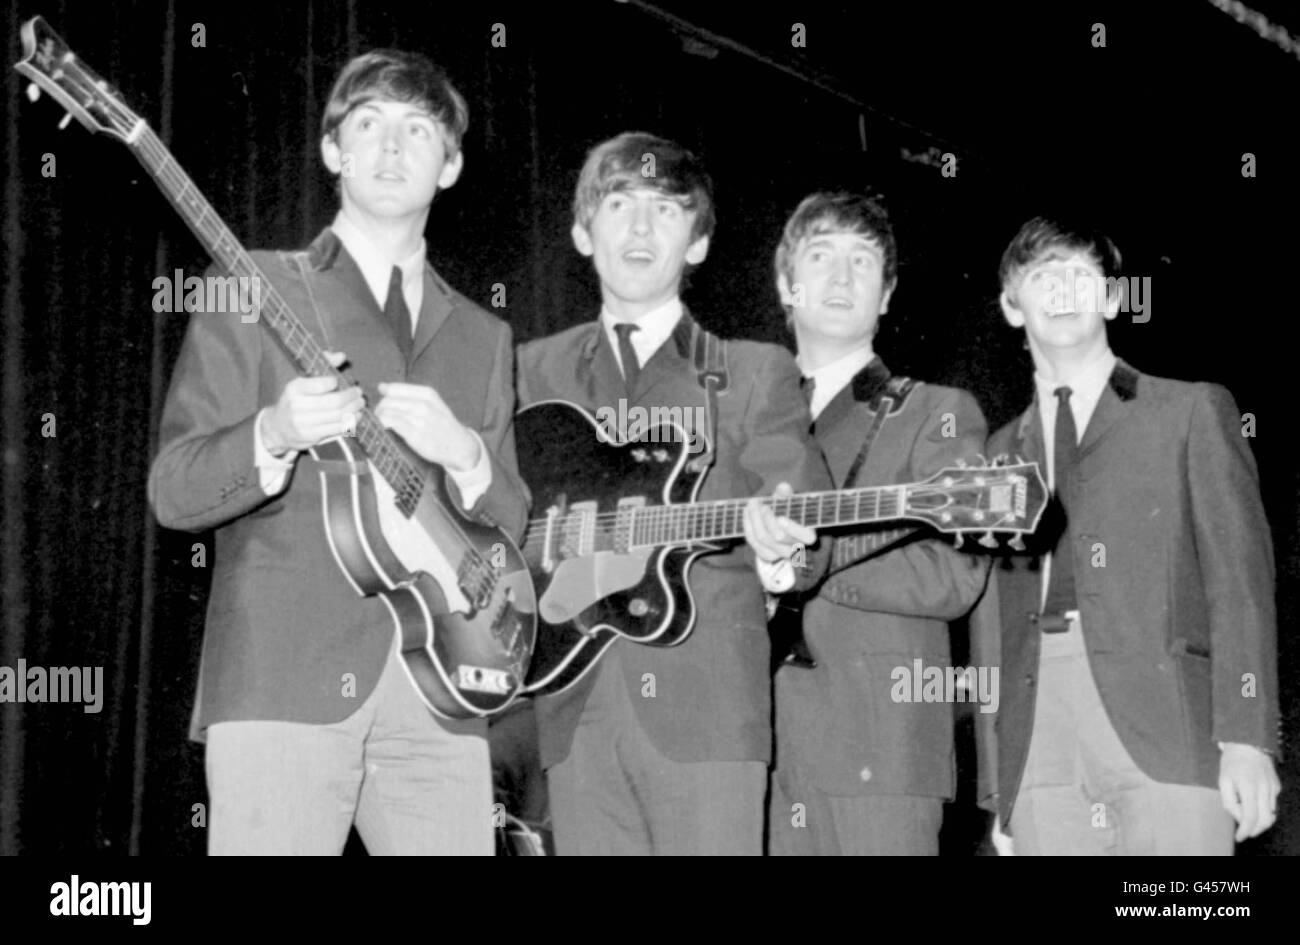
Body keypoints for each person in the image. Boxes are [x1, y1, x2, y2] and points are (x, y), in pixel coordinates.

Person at [148, 49, 529, 855]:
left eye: (418, 130)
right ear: (333, 153)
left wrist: (466, 456)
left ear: (450, 166)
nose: (392, 147)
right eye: (369, 125)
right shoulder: (255, 284)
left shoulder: (487, 336)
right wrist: (274, 434)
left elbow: (512, 521)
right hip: (284, 678)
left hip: (443, 691)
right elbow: (173, 490)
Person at [515, 131, 833, 855]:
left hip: (710, 712)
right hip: (573, 709)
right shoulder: (526, 371)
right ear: (581, 232)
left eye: (665, 209)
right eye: (618, 203)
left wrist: (780, 551)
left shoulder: (754, 371)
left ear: (696, 243)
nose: (638, 226)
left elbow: (798, 501)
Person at [974, 214, 1281, 854]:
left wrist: (1247, 738)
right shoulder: (994, 454)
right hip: (1038, 739)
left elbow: (1240, 587)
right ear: (1010, 305)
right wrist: (998, 785)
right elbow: (989, 629)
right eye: (1041, 275)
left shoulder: (1192, 410)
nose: (1062, 290)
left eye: (1081, 274)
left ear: (1113, 297)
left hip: (1171, 721)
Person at [766, 192, 989, 855]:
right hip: (748, 753)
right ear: (786, 284)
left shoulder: (935, 411)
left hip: (880, 753)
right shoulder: (740, 420)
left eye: (862, 261)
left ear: (887, 294)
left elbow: (956, 571)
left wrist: (807, 562)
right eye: (821, 256)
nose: (840, 278)